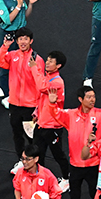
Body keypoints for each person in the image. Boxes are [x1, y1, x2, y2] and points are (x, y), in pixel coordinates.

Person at [0, 28, 44, 174]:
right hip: (15, 104)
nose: (23, 42)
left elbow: (41, 84)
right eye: (20, 39)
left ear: (31, 41)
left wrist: (38, 107)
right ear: (17, 41)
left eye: (25, 39)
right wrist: (5, 46)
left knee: (32, 138)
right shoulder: (12, 55)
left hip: (30, 106)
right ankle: (21, 161)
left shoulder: (37, 60)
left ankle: (36, 164)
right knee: (17, 135)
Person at [0, 0, 41, 106]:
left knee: (23, 62)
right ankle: (6, 96)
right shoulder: (0, 1)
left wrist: (30, 4)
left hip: (21, 33)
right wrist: (19, 5)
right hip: (8, 35)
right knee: (6, 66)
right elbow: (8, 20)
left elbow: (25, 15)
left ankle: (22, 91)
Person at [29, 50, 69, 188]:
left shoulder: (57, 82)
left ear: (58, 66)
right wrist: (36, 111)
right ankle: (40, 179)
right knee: (38, 155)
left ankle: (66, 179)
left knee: (58, 155)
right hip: (41, 124)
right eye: (47, 60)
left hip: (53, 126)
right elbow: (43, 98)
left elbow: (41, 87)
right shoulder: (48, 77)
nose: (47, 62)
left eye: (51, 61)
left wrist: (34, 67)